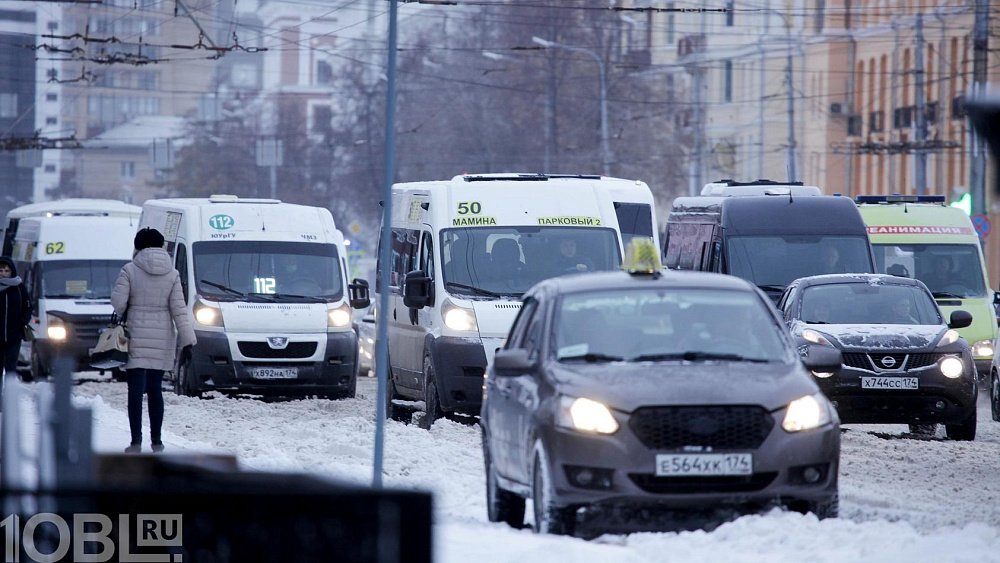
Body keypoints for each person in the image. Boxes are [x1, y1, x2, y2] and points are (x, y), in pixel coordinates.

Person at [111, 227, 196, 453]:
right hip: (162, 337)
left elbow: (118, 303)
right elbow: (179, 309)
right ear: (161, 246)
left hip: (135, 335)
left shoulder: (129, 269)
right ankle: (157, 441)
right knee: (155, 390)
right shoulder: (173, 274)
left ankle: (136, 441)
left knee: (135, 391)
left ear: (138, 245)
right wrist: (187, 339)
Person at [0, 257, 30, 400]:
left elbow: (27, 305)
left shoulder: (18, 286)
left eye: (6, 270)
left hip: (14, 336)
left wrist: (24, 320)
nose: (3, 273)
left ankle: (9, 399)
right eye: (1, 270)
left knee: (11, 369)